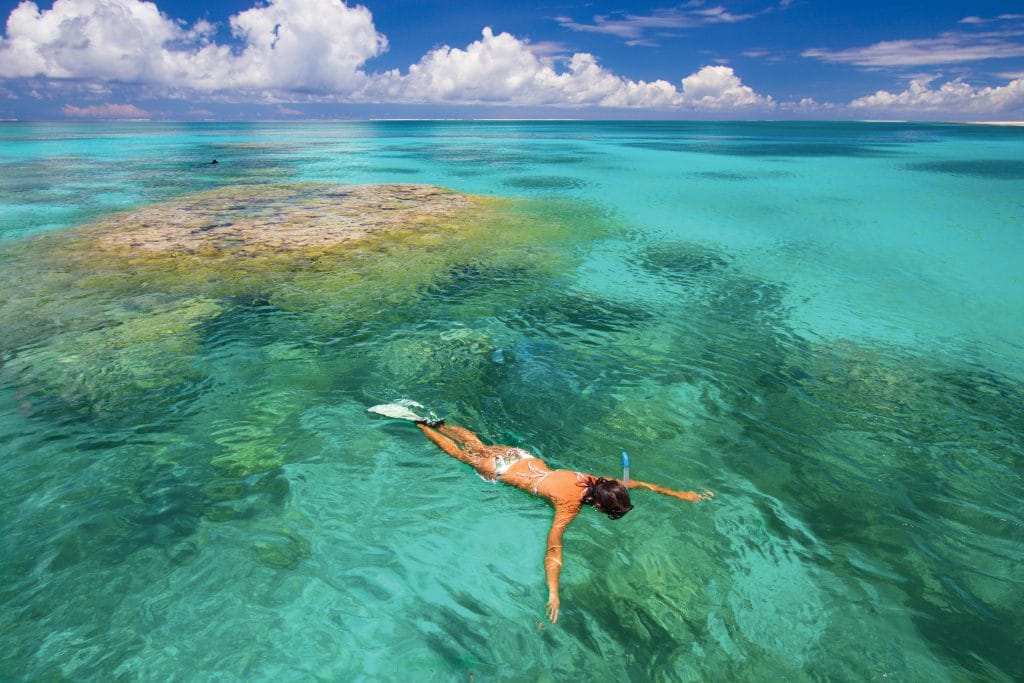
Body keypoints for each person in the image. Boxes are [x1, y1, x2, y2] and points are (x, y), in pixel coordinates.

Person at [410, 418, 713, 623]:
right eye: (604, 511)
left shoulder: (597, 481)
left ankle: (437, 421)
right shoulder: (569, 506)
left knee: (476, 443)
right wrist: (553, 592)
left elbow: (641, 484)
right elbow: (553, 550)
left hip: (519, 457)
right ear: (595, 503)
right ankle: (419, 425)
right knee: (459, 455)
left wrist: (680, 494)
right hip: (500, 472)